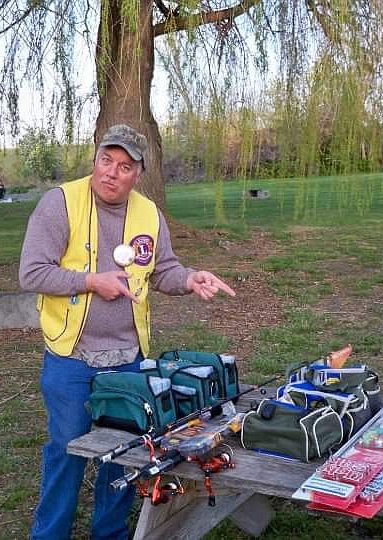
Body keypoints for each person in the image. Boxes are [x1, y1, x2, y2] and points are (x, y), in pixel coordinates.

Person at [19, 124, 236, 540]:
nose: (111, 173)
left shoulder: (147, 213)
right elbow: (32, 272)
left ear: (138, 173)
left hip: (128, 356)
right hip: (72, 356)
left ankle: (110, 532)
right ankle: (50, 534)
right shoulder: (59, 204)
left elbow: (163, 270)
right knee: (68, 449)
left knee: (125, 450)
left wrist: (190, 279)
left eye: (124, 166)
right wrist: (89, 281)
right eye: (106, 161)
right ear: (95, 160)